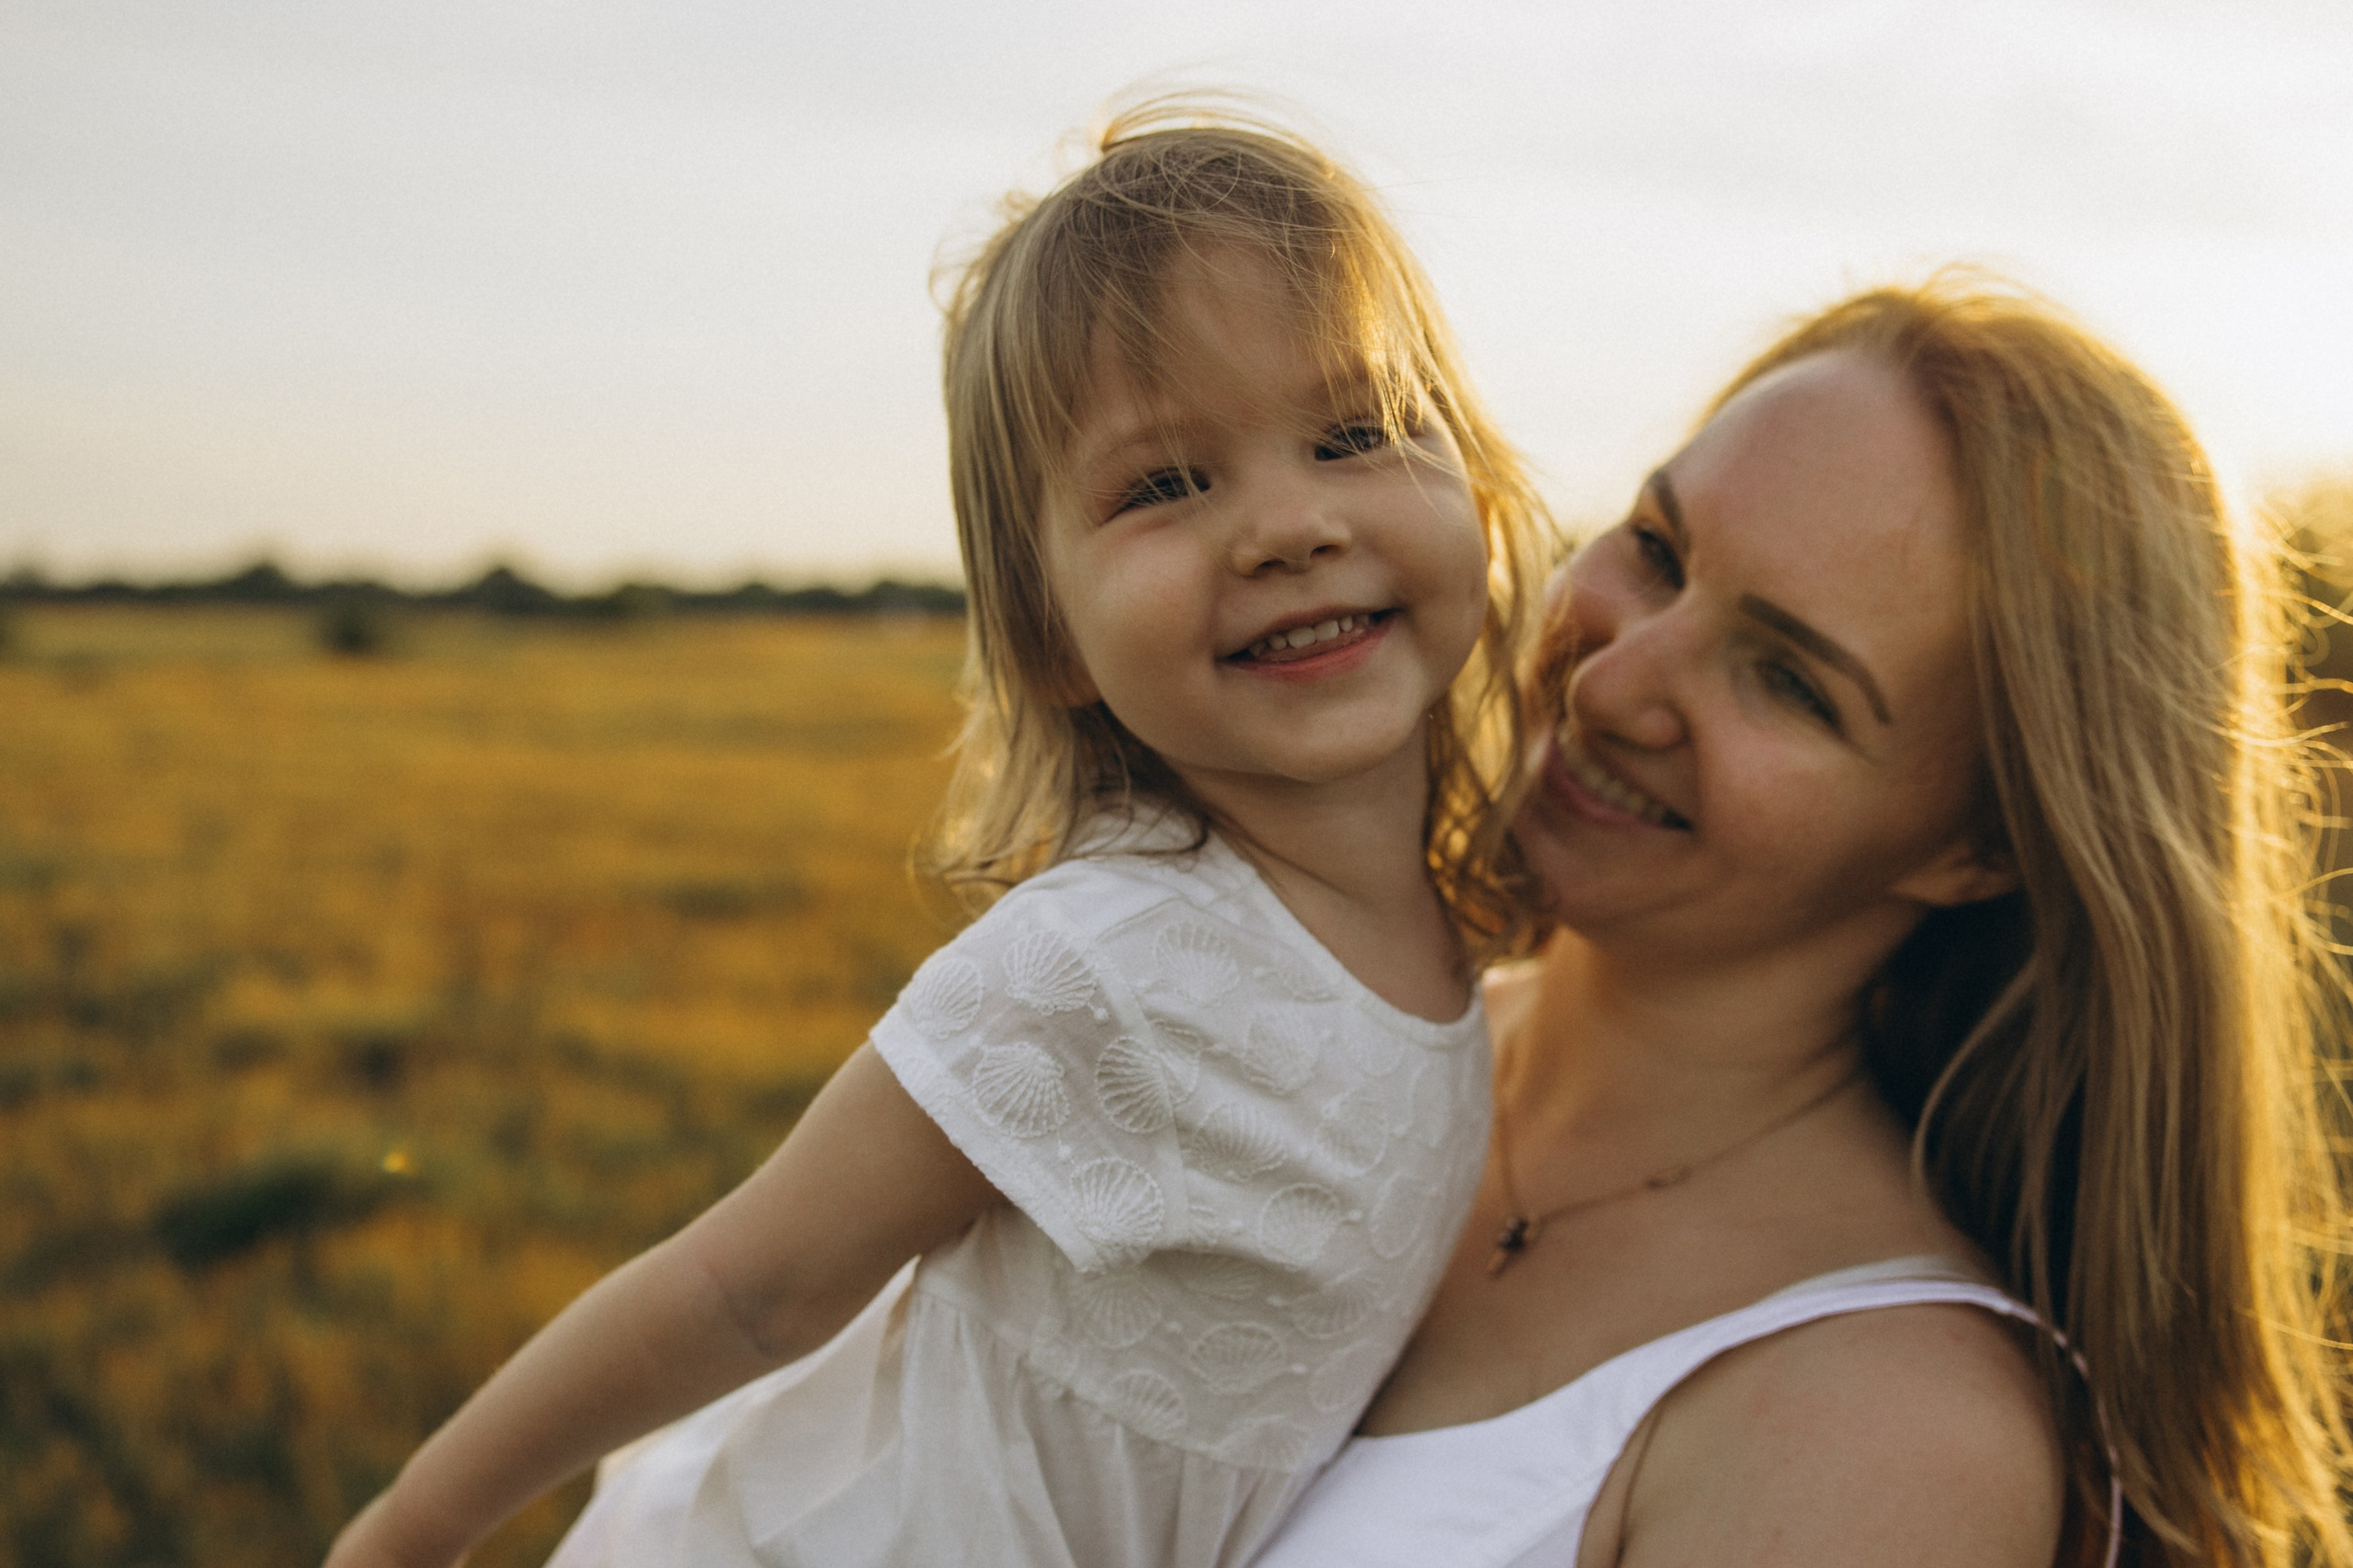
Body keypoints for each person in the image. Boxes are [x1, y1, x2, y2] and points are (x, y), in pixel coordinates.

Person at [324, 106, 1547, 1568]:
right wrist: (413, 1528)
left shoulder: (1469, 920)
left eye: (1355, 434)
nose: (1286, 524)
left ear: (1472, 492)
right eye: (1165, 484)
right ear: (1050, 639)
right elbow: (745, 1287)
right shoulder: (1108, 964)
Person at [1250, 278, 2353, 1568]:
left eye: (1784, 678)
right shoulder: (1285, 1035)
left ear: (1979, 846)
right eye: (1659, 549)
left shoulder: (1888, 1432)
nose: (1611, 681)